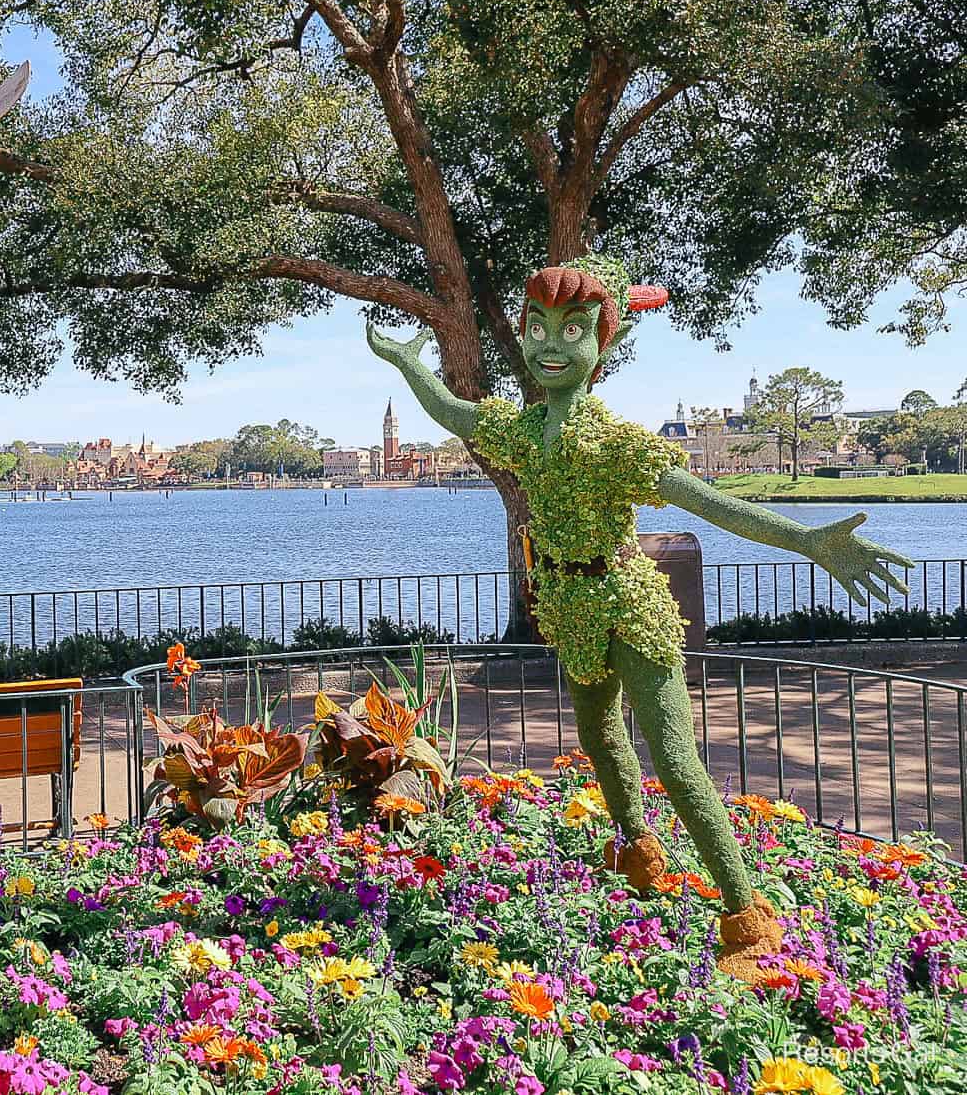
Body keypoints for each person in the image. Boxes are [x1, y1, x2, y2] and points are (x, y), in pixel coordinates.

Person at [369, 254, 911, 981]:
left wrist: (809, 540)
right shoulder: (526, 432)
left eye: (573, 328)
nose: (552, 344)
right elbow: (453, 412)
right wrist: (411, 365)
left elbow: (709, 501)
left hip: (629, 606)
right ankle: (636, 852)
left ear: (603, 344)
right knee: (598, 737)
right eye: (539, 327)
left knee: (676, 761)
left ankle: (746, 917)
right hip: (571, 610)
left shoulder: (616, 443)